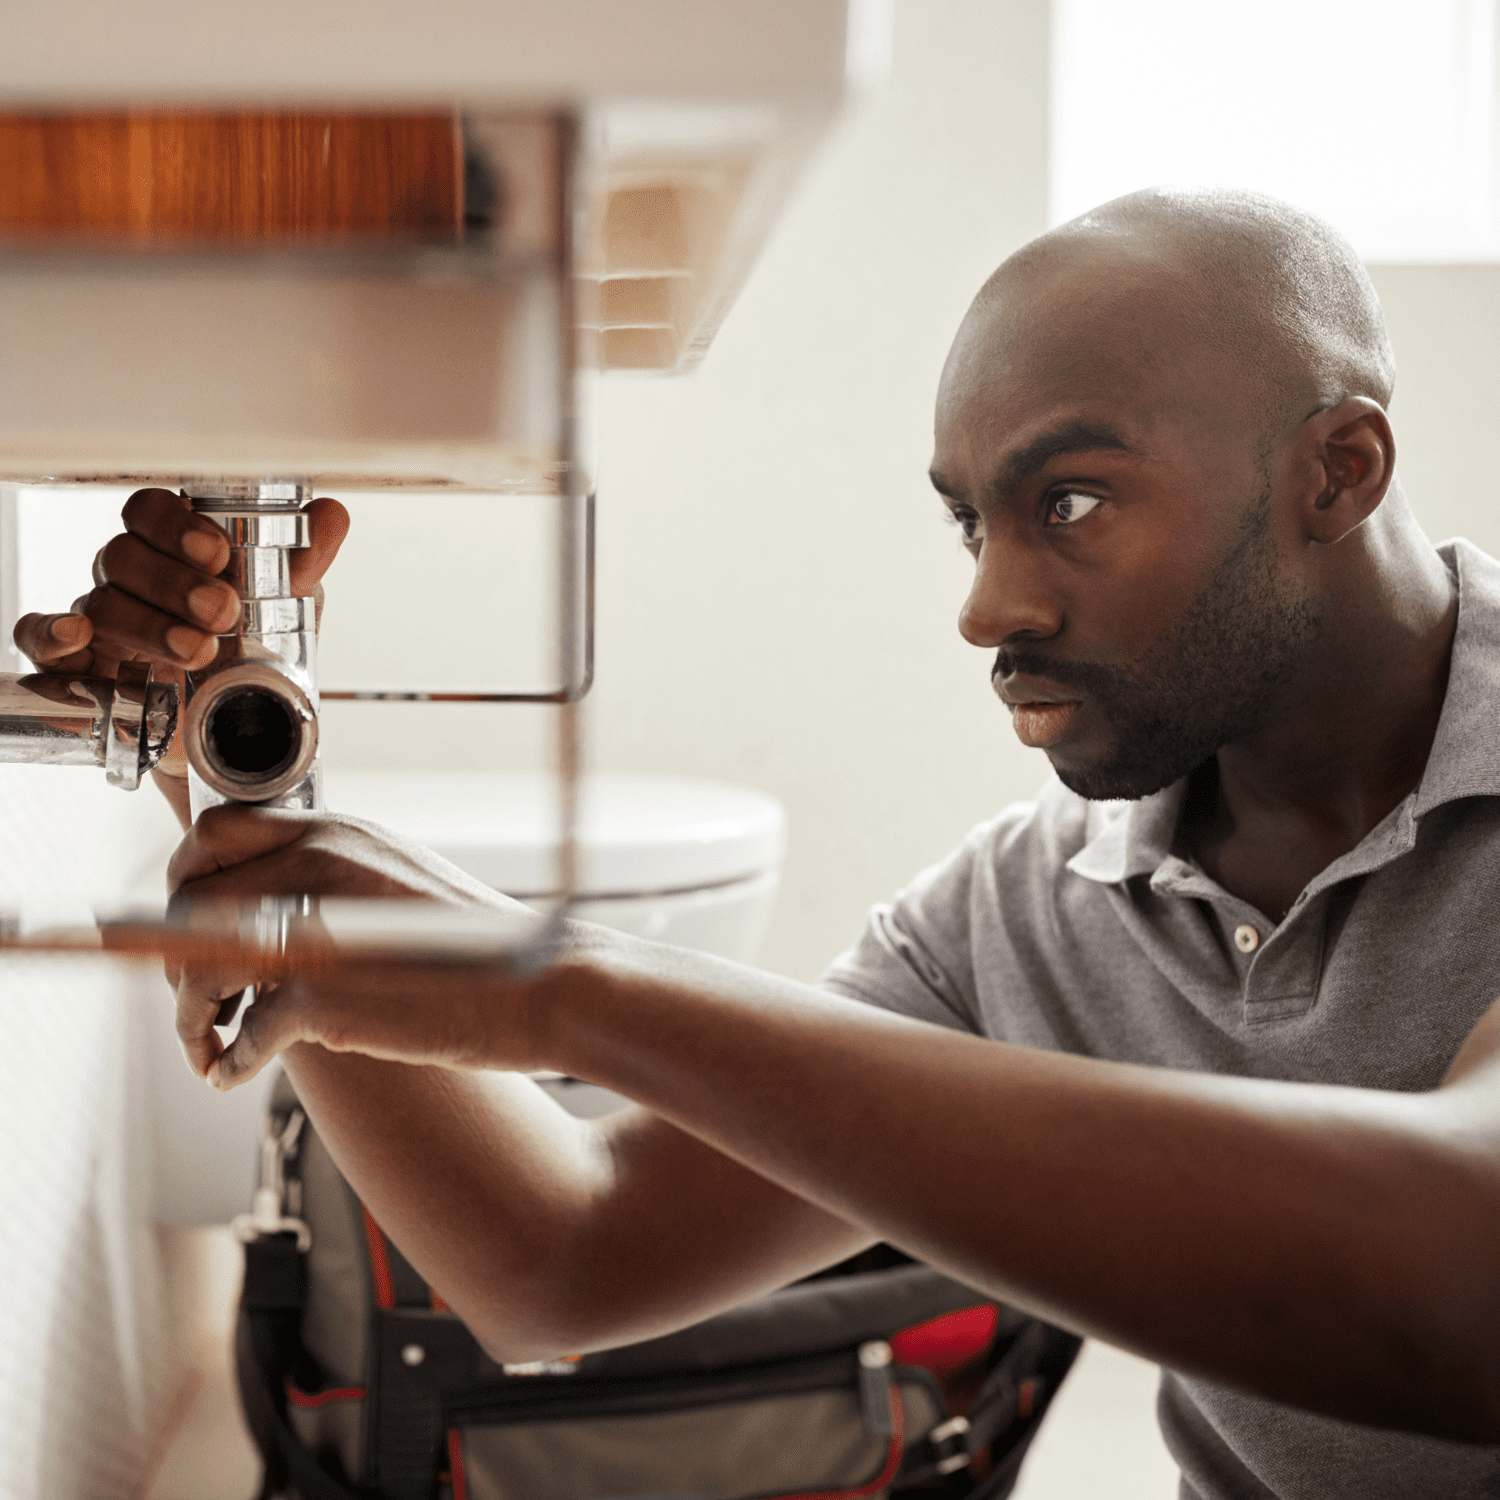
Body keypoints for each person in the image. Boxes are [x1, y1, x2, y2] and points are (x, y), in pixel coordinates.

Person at [19, 188, 1500, 1499]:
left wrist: (555, 987)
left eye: (1073, 500)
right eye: (968, 525)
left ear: (1338, 471)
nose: (988, 607)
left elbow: (1461, 1279)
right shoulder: (1042, 902)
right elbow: (564, 1258)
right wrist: (237, 767)